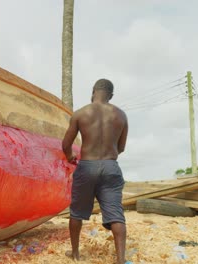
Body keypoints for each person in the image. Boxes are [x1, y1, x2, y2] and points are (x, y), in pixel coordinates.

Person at [62, 79, 128, 264]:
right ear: (111, 95)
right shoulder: (121, 115)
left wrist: (69, 157)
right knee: (116, 214)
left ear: (93, 91)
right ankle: (121, 259)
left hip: (87, 166)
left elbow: (66, 144)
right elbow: (121, 147)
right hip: (110, 166)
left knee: (76, 212)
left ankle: (75, 254)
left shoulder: (80, 113)